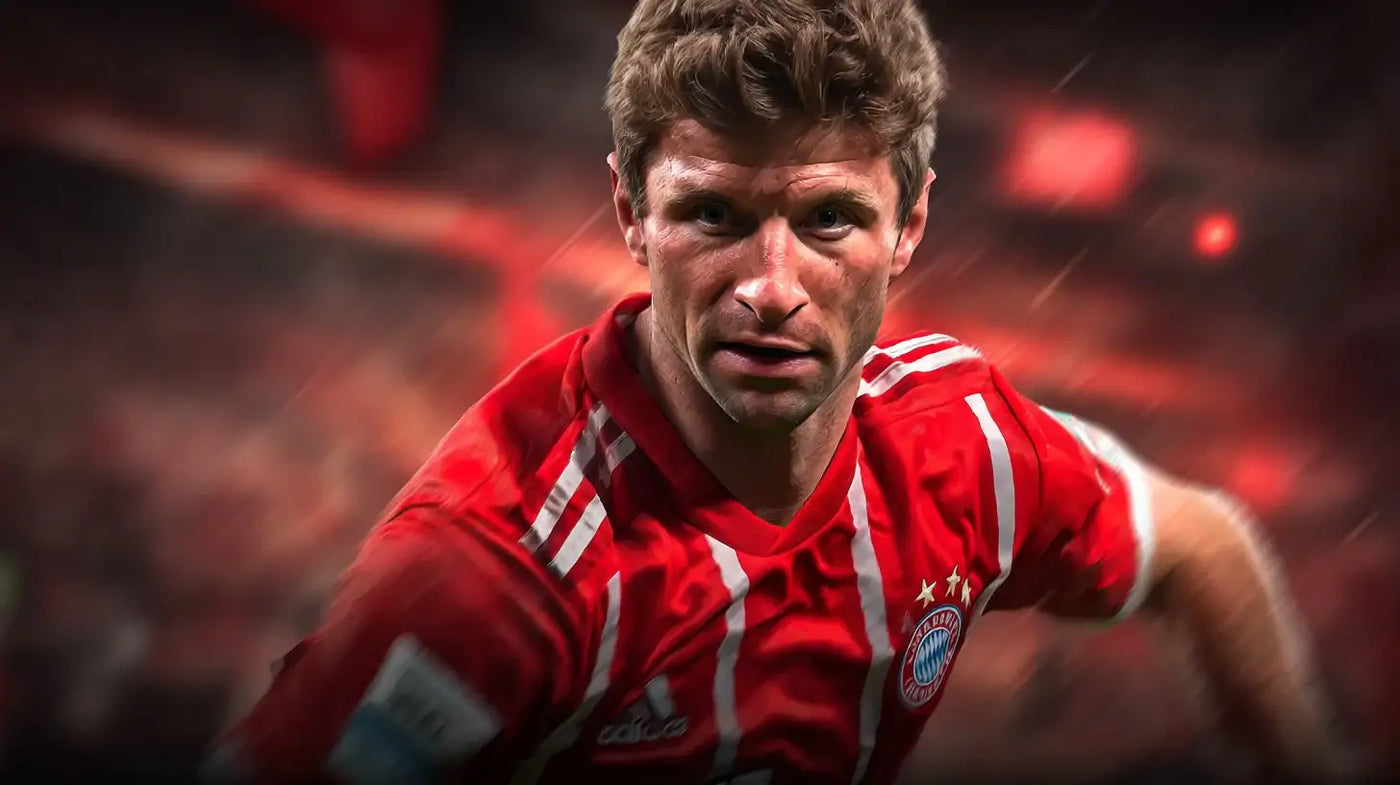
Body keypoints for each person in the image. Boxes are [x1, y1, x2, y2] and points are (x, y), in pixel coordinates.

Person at [205, 1, 1349, 783]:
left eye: (828, 220)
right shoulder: (489, 578)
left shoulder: (969, 446)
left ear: (908, 226)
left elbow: (1204, 545)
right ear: (629, 213)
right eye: (715, 214)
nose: (770, 286)